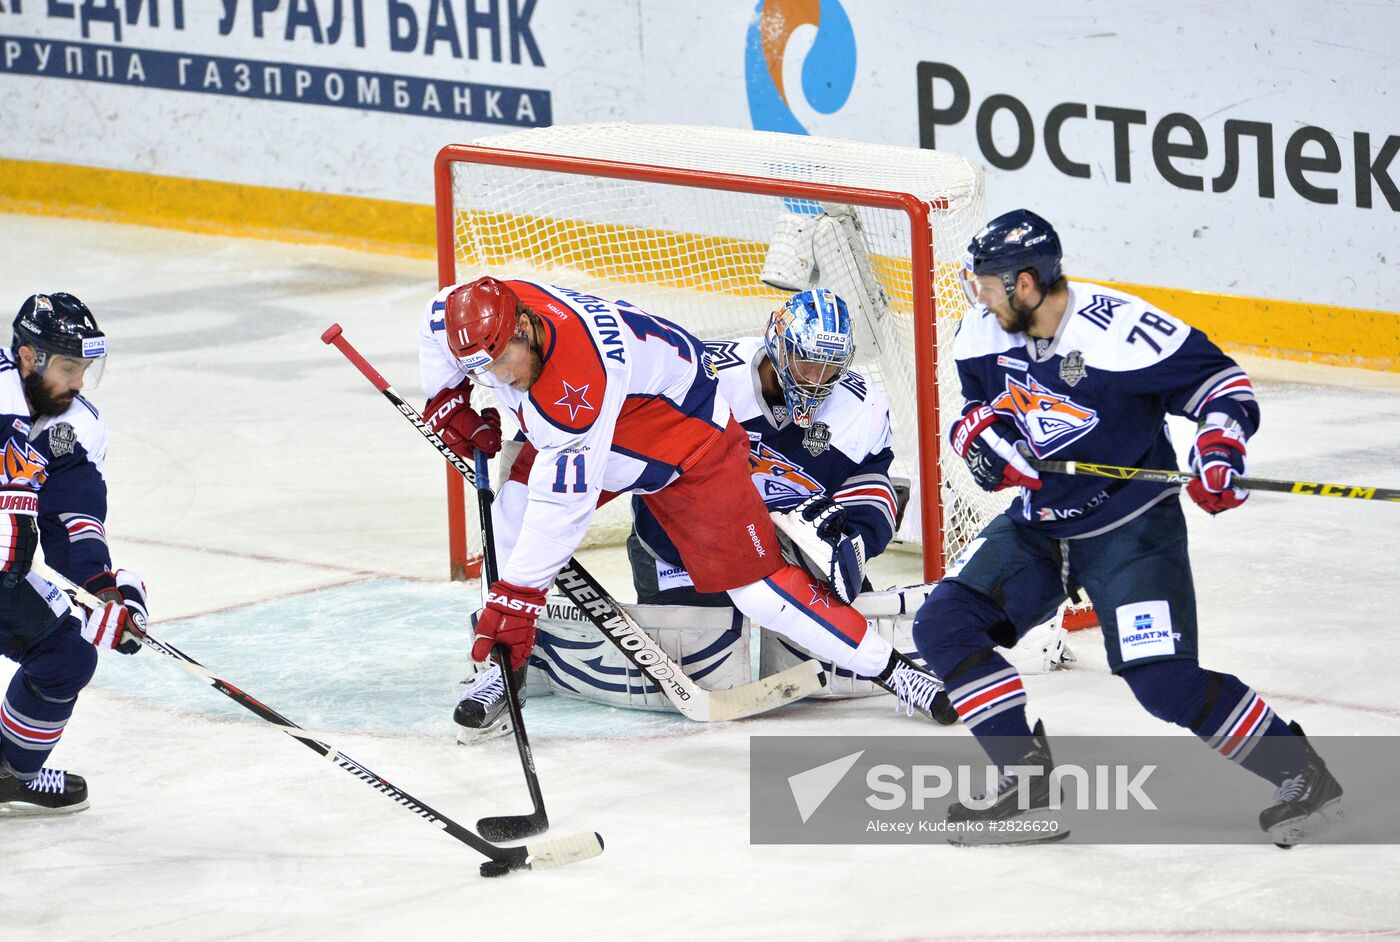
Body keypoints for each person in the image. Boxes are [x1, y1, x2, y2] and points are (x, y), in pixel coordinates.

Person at [911, 210, 1342, 847]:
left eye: (989, 283)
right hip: (1038, 530)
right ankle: (1025, 784)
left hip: (1130, 529)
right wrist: (981, 440)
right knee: (944, 623)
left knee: (1162, 682)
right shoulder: (981, 333)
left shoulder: (1121, 334)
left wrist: (1219, 449)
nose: (977, 294)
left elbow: (1221, 385)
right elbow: (979, 410)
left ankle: (1299, 771)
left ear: (1026, 284)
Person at [417, 279, 950, 738]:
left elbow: (564, 507)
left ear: (524, 328)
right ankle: (503, 671)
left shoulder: (577, 382)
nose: (501, 379)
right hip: (619, 419)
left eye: (503, 362)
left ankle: (897, 673)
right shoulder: (475, 311)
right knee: (512, 496)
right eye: (482, 369)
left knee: (761, 592)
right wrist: (446, 398)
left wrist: (518, 601)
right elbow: (435, 317)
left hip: (689, 449)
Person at [627, 289, 898, 611]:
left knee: (845, 643)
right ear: (779, 346)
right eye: (806, 363)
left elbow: (870, 487)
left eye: (829, 367)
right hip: (682, 551)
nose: (816, 380)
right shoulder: (705, 373)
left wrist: (851, 545)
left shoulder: (862, 407)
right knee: (695, 651)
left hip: (792, 556)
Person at [0, 293, 148, 816]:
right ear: (27, 357)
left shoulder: (71, 425)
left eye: (84, 368)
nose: (78, 381)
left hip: (2, 577)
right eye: (68, 366)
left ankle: (7, 775)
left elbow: (72, 512)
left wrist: (101, 589)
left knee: (67, 655)